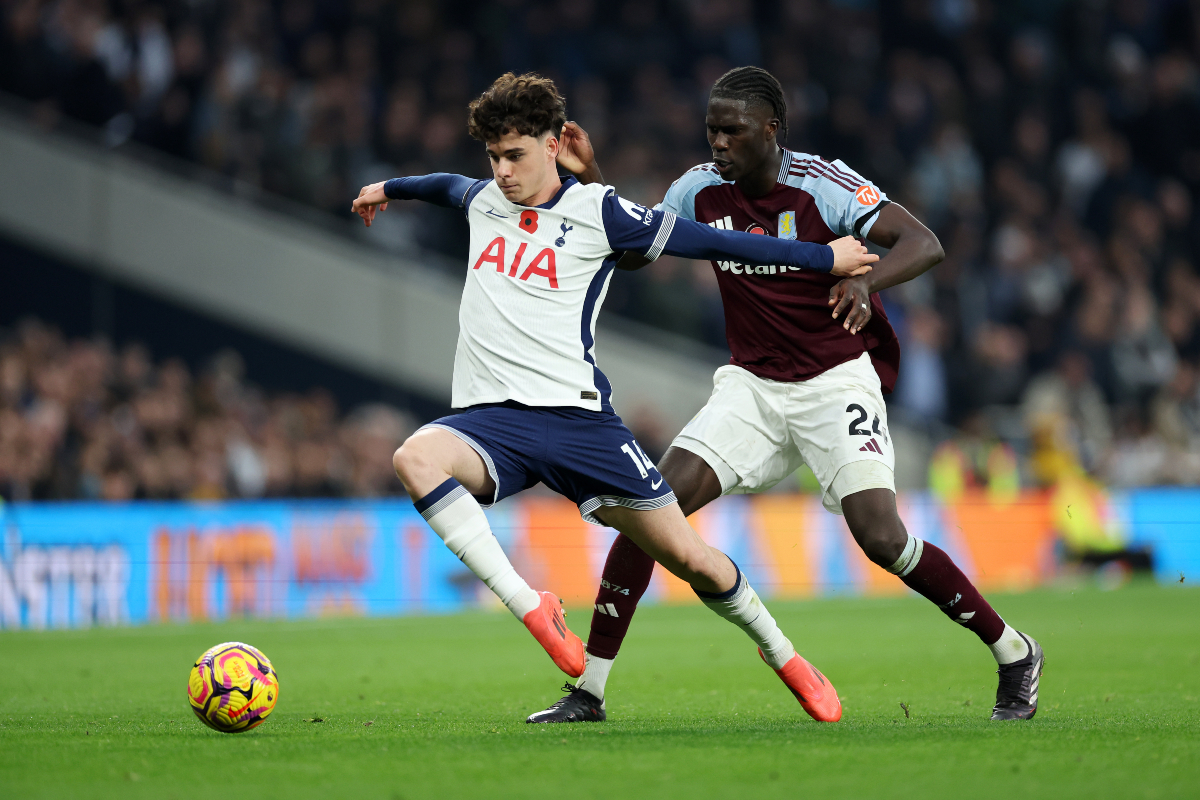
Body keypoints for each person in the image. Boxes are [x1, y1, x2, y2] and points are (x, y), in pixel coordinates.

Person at [352, 72, 878, 719]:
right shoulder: (484, 200)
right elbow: (440, 185)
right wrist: (387, 189)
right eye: (493, 156)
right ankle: (534, 610)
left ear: (554, 144)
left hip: (583, 427)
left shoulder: (601, 213)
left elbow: (712, 240)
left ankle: (786, 657)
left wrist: (825, 261)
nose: (502, 171)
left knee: (689, 558)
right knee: (414, 458)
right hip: (492, 423)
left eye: (515, 155)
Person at [529, 67, 1043, 724]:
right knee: (648, 508)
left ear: (771, 131)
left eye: (732, 131)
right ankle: (590, 691)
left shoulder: (823, 186)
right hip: (753, 387)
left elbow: (925, 243)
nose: (717, 142)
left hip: (834, 382)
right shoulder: (697, 189)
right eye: (712, 129)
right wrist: (596, 179)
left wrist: (868, 282)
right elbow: (637, 251)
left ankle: (1014, 652)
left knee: (881, 538)